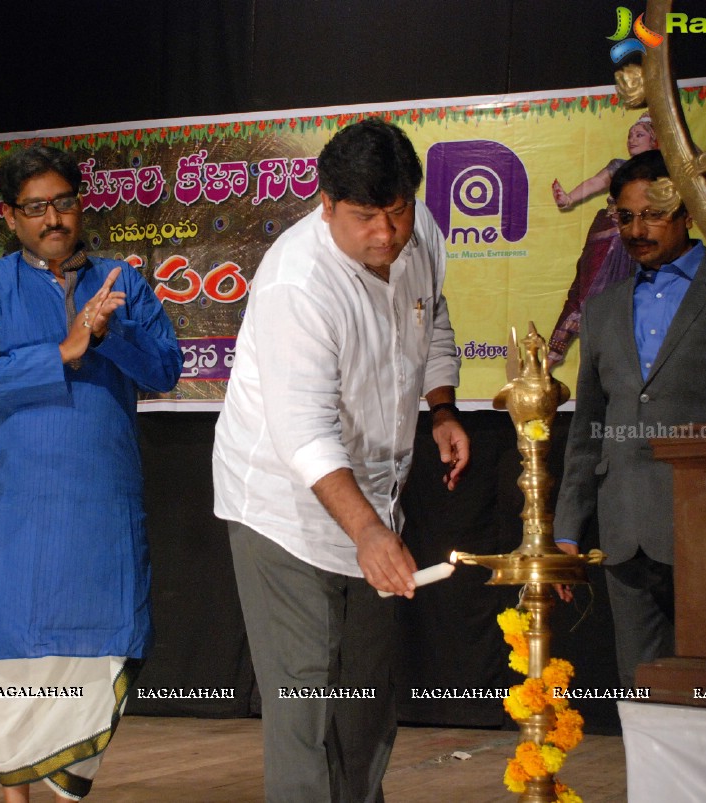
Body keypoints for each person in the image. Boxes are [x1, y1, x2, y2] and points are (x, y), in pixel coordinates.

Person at [212, 118, 469, 803]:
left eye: (396, 212)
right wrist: (368, 532)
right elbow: (305, 434)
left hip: (376, 499)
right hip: (284, 510)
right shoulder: (298, 283)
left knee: (364, 696)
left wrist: (440, 407)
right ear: (324, 206)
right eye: (363, 218)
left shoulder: (421, 236)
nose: (385, 235)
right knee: (304, 698)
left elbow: (433, 315)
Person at [0, 145, 182, 803]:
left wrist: (110, 335)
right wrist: (66, 347)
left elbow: (162, 370)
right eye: (36, 207)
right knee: (9, 650)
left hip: (99, 506)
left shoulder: (121, 282)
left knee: (97, 644)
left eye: (64, 202)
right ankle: (16, 796)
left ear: (81, 205)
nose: (53, 218)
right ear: (10, 216)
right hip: (16, 508)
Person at [553, 149, 706, 690]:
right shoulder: (603, 307)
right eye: (624, 216)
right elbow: (590, 427)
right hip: (624, 527)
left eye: (652, 213)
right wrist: (566, 530)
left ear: (688, 212)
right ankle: (651, 780)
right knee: (642, 688)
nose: (637, 229)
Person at [547, 114, 658, 367]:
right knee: (586, 290)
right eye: (630, 135)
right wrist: (568, 199)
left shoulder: (665, 172)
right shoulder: (620, 167)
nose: (632, 139)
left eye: (639, 134)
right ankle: (552, 356)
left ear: (656, 140)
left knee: (637, 299)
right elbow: (596, 182)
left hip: (645, 244)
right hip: (609, 237)